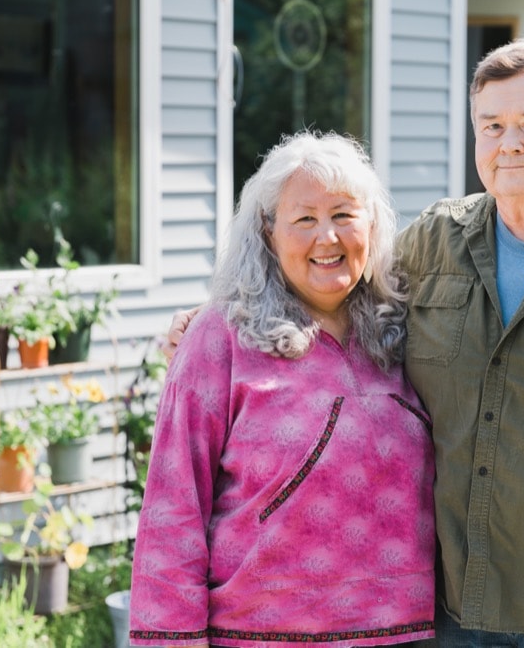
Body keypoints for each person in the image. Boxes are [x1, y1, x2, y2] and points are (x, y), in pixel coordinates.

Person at [165, 38, 524, 647]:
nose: (508, 142)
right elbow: (334, 279)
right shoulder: (436, 242)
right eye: (491, 124)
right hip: (452, 612)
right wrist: (224, 312)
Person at [130, 131, 436, 648]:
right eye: (304, 219)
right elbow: (173, 506)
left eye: (344, 214)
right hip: (260, 634)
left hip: (407, 635)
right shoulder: (220, 337)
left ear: (373, 225)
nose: (327, 238)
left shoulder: (411, 330)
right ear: (268, 231)